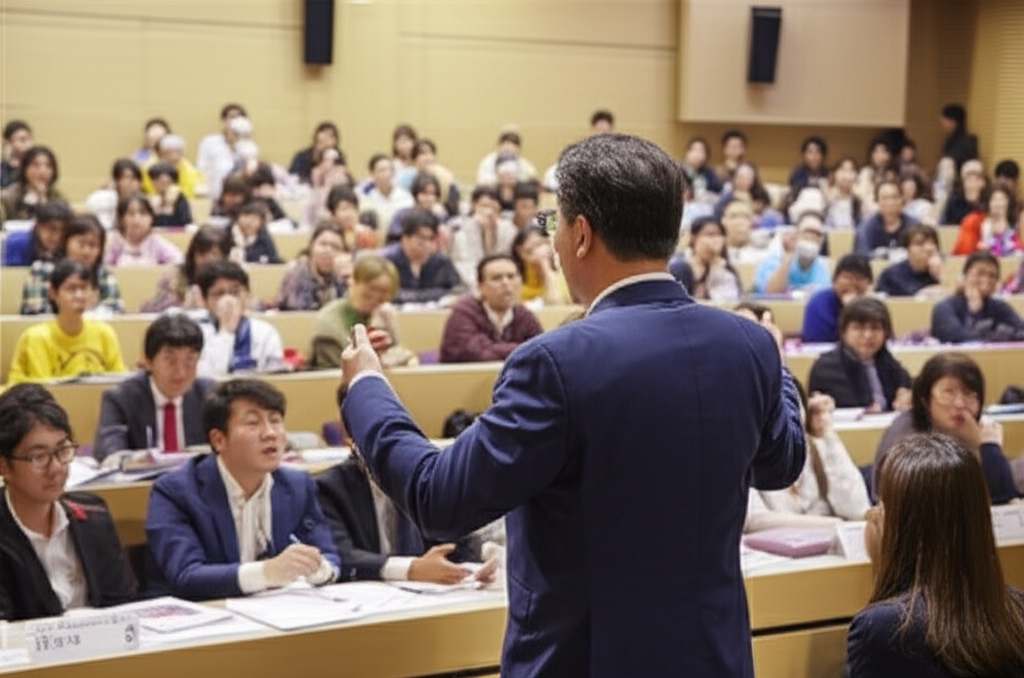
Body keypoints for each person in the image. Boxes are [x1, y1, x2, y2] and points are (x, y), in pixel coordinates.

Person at [338, 133, 806, 677]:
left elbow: (440, 499)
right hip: (714, 659)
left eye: (554, 223)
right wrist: (779, 369)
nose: (552, 242)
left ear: (580, 233)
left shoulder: (556, 362)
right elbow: (781, 463)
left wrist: (368, 390)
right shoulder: (746, 345)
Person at [145, 379, 341, 601]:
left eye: (275, 421)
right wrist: (267, 572)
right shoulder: (175, 492)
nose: (270, 433)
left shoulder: (297, 485)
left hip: (281, 613)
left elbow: (329, 554)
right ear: (218, 440)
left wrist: (317, 570)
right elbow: (186, 576)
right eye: (252, 423)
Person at [847, 433, 1024, 678]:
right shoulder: (1016, 612)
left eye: (883, 507)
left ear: (904, 526)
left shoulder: (881, 630)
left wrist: (881, 570)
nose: (874, 517)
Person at [0, 384, 135, 621]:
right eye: (38, 457)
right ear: (4, 466)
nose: (56, 468)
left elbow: (124, 607)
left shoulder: (94, 515)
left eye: (62, 451)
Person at [315, 458, 498, 585]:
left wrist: (488, 554)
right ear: (351, 441)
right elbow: (339, 555)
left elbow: (450, 538)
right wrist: (411, 569)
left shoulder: (418, 477)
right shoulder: (328, 488)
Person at [872, 352, 1020, 505]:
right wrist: (984, 449)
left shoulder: (969, 429)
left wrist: (987, 449)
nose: (960, 404)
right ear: (925, 398)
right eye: (949, 393)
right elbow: (939, 507)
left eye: (970, 394)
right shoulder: (906, 437)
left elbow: (1003, 502)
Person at [745, 390, 871, 532]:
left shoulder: (819, 447)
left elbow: (857, 508)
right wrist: (836, 525)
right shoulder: (747, 460)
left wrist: (828, 435)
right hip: (777, 550)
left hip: (830, 548)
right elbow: (754, 520)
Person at [93, 315, 214, 461]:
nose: (181, 372)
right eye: (171, 360)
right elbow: (110, 455)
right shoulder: (121, 399)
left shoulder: (210, 397)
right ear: (148, 361)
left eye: (190, 360)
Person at [8, 260, 127, 385]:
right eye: (71, 289)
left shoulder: (105, 333)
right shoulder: (37, 338)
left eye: (84, 288)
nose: (79, 295)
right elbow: (44, 391)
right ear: (53, 293)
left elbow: (119, 382)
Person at [807, 297, 912, 411]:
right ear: (844, 332)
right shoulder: (825, 369)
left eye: (875, 328)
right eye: (858, 328)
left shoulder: (893, 367)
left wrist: (908, 401)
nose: (867, 335)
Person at [309, 255, 410, 369]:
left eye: (384, 292)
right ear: (353, 282)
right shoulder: (329, 324)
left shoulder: (384, 317)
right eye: (371, 289)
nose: (376, 296)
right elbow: (339, 374)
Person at [439, 255, 544, 363]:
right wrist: (524, 349)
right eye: (496, 278)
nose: (506, 283)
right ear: (480, 287)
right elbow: (475, 353)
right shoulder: (464, 313)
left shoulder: (524, 314)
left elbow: (542, 350)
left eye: (511, 276)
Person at [20, 214, 124, 316]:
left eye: (92, 245)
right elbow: (34, 311)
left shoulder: (103, 274)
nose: (86, 251)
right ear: (66, 243)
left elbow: (116, 310)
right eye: (81, 244)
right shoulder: (42, 271)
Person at [195, 261, 285, 376]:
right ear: (204, 301)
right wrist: (226, 330)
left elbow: (276, 378)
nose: (228, 301)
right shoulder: (197, 333)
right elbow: (209, 379)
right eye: (219, 294)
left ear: (248, 295)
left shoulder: (266, 332)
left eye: (235, 292)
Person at [931, 251, 1024, 343]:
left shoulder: (1000, 307)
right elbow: (957, 338)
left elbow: (1020, 331)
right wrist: (975, 313)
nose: (986, 280)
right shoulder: (945, 307)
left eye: (992, 276)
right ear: (965, 276)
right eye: (980, 273)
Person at [141, 224, 234, 313]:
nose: (207, 261)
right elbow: (151, 311)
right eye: (202, 254)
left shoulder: (232, 281)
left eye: (215, 255)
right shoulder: (174, 277)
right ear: (193, 255)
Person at [384, 209, 465, 305]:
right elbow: (388, 294)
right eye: (421, 239)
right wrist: (436, 295)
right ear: (405, 238)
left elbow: (458, 291)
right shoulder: (388, 262)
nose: (426, 244)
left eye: (431, 239)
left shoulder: (441, 262)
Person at [450, 186, 518, 289]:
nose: (489, 212)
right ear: (473, 206)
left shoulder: (508, 229)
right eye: (484, 206)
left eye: (493, 207)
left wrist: (490, 234)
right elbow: (463, 265)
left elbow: (509, 260)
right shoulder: (462, 231)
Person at [275, 221, 350, 311]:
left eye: (335, 247)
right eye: (323, 244)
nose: (328, 250)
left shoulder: (344, 277)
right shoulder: (297, 272)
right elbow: (298, 311)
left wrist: (346, 278)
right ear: (312, 246)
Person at [800, 254, 873, 343]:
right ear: (834, 280)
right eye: (847, 277)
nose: (852, 283)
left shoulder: (873, 307)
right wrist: (851, 311)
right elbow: (816, 339)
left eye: (859, 278)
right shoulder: (819, 303)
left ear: (869, 284)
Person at [753, 212, 831, 295]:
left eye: (817, 235)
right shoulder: (772, 261)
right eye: (807, 233)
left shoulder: (822, 267)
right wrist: (788, 256)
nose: (811, 238)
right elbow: (772, 293)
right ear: (796, 235)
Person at [668, 215, 742, 301]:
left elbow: (733, 300)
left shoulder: (727, 270)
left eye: (719, 235)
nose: (715, 240)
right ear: (693, 238)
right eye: (709, 235)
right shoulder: (680, 268)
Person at [104, 193, 185, 267]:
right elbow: (103, 266)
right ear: (121, 219)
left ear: (151, 218)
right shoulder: (115, 243)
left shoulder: (155, 242)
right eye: (130, 214)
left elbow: (180, 259)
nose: (136, 220)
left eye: (143, 213)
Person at [874, 224, 943, 297]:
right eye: (919, 243)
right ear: (907, 249)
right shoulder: (891, 274)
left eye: (932, 243)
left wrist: (940, 276)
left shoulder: (946, 270)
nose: (928, 248)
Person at [196, 103, 248, 201]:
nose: (235, 122)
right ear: (224, 121)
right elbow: (201, 169)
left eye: (239, 118)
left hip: (238, 197)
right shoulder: (209, 142)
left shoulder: (248, 146)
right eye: (232, 117)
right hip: (214, 196)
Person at [0, 146, 65, 222]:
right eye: (36, 165)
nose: (42, 171)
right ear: (25, 169)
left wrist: (44, 203)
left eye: (48, 166)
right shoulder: (7, 197)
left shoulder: (57, 198)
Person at [511, 223, 571, 305]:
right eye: (530, 251)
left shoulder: (564, 275)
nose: (539, 252)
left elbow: (557, 304)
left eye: (541, 244)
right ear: (520, 251)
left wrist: (545, 269)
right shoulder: (513, 278)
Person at [854, 180, 916, 258]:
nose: (890, 202)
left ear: (902, 199)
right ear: (877, 201)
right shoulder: (866, 228)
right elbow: (862, 254)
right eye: (885, 198)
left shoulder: (914, 226)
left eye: (894, 197)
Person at [1, 199, 71, 267]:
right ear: (38, 226)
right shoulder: (18, 242)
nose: (57, 237)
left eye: (63, 230)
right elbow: (13, 274)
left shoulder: (68, 246)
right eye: (52, 229)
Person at [953, 185, 1019, 255]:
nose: (998, 204)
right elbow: (963, 252)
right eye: (994, 200)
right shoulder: (976, 223)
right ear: (988, 203)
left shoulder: (1017, 227)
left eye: (1002, 199)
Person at [84, 158, 144, 230]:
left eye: (136, 179)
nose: (132, 183)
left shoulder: (142, 202)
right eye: (127, 177)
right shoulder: (102, 200)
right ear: (116, 180)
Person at [938, 103, 978, 172]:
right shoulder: (949, 140)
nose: (942, 126)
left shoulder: (966, 142)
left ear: (953, 122)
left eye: (944, 122)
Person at [1, 120, 33, 189]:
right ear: (9, 143)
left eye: (30, 139)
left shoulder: (36, 167)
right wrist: (8, 164)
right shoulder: (3, 169)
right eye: (22, 140)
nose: (29, 144)